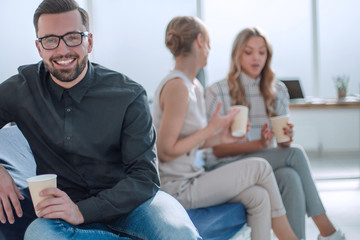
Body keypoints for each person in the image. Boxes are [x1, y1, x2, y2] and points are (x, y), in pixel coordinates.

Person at [0, 1, 202, 239]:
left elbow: (144, 177)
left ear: (89, 42)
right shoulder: (22, 89)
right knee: (39, 235)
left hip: (136, 206)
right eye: (50, 40)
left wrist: (81, 211)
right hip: (63, 216)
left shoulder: (128, 95)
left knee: (178, 232)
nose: (62, 49)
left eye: (73, 37)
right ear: (39, 47)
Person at [152, 16, 299, 240]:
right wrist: (210, 129)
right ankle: (289, 237)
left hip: (192, 177)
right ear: (200, 41)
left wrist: (221, 137)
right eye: (209, 43)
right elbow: (165, 150)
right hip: (176, 188)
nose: (210, 50)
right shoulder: (177, 86)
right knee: (260, 167)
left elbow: (190, 143)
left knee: (258, 196)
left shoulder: (193, 86)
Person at [205, 27, 346, 240]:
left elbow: (280, 149)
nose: (256, 58)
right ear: (237, 55)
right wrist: (260, 144)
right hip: (226, 167)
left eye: (262, 52)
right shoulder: (217, 91)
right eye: (249, 52)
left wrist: (285, 139)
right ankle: (328, 230)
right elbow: (215, 150)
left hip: (264, 165)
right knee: (295, 154)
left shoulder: (277, 90)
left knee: (289, 175)